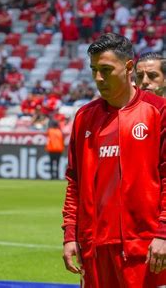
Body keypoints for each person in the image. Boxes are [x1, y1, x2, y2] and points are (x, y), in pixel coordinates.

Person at [62, 33, 166, 287]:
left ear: (129, 67)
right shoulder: (84, 116)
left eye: (106, 70)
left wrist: (163, 234)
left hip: (146, 249)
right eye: (94, 69)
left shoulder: (158, 111)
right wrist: (70, 234)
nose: (98, 78)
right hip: (94, 250)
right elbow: (74, 183)